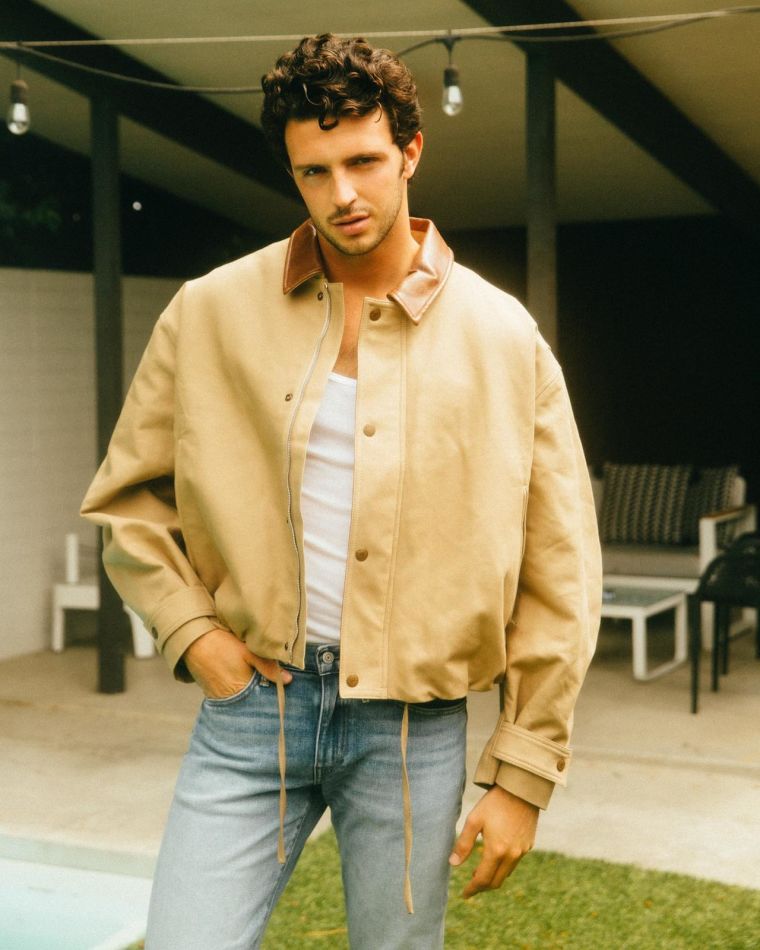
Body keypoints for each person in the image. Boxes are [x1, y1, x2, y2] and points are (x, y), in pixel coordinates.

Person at [81, 33, 601, 950]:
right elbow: (128, 498)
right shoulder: (209, 311)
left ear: (410, 151)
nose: (342, 195)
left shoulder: (504, 338)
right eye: (313, 173)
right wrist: (197, 635)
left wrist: (523, 772)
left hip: (412, 731)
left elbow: (561, 568)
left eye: (363, 162)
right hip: (252, 713)